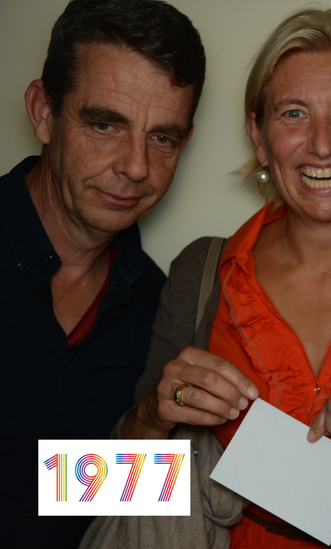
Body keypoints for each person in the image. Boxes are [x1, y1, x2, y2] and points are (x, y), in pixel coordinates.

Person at [116, 8, 331, 549]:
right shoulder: (200, 275)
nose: (322, 144)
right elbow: (99, 488)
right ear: (258, 136)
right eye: (294, 114)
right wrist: (154, 418)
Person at [0, 0, 205, 547]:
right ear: (44, 113)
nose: (136, 166)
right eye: (104, 124)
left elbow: (58, 493)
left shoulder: (160, 306)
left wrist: (153, 430)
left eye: (162, 138)